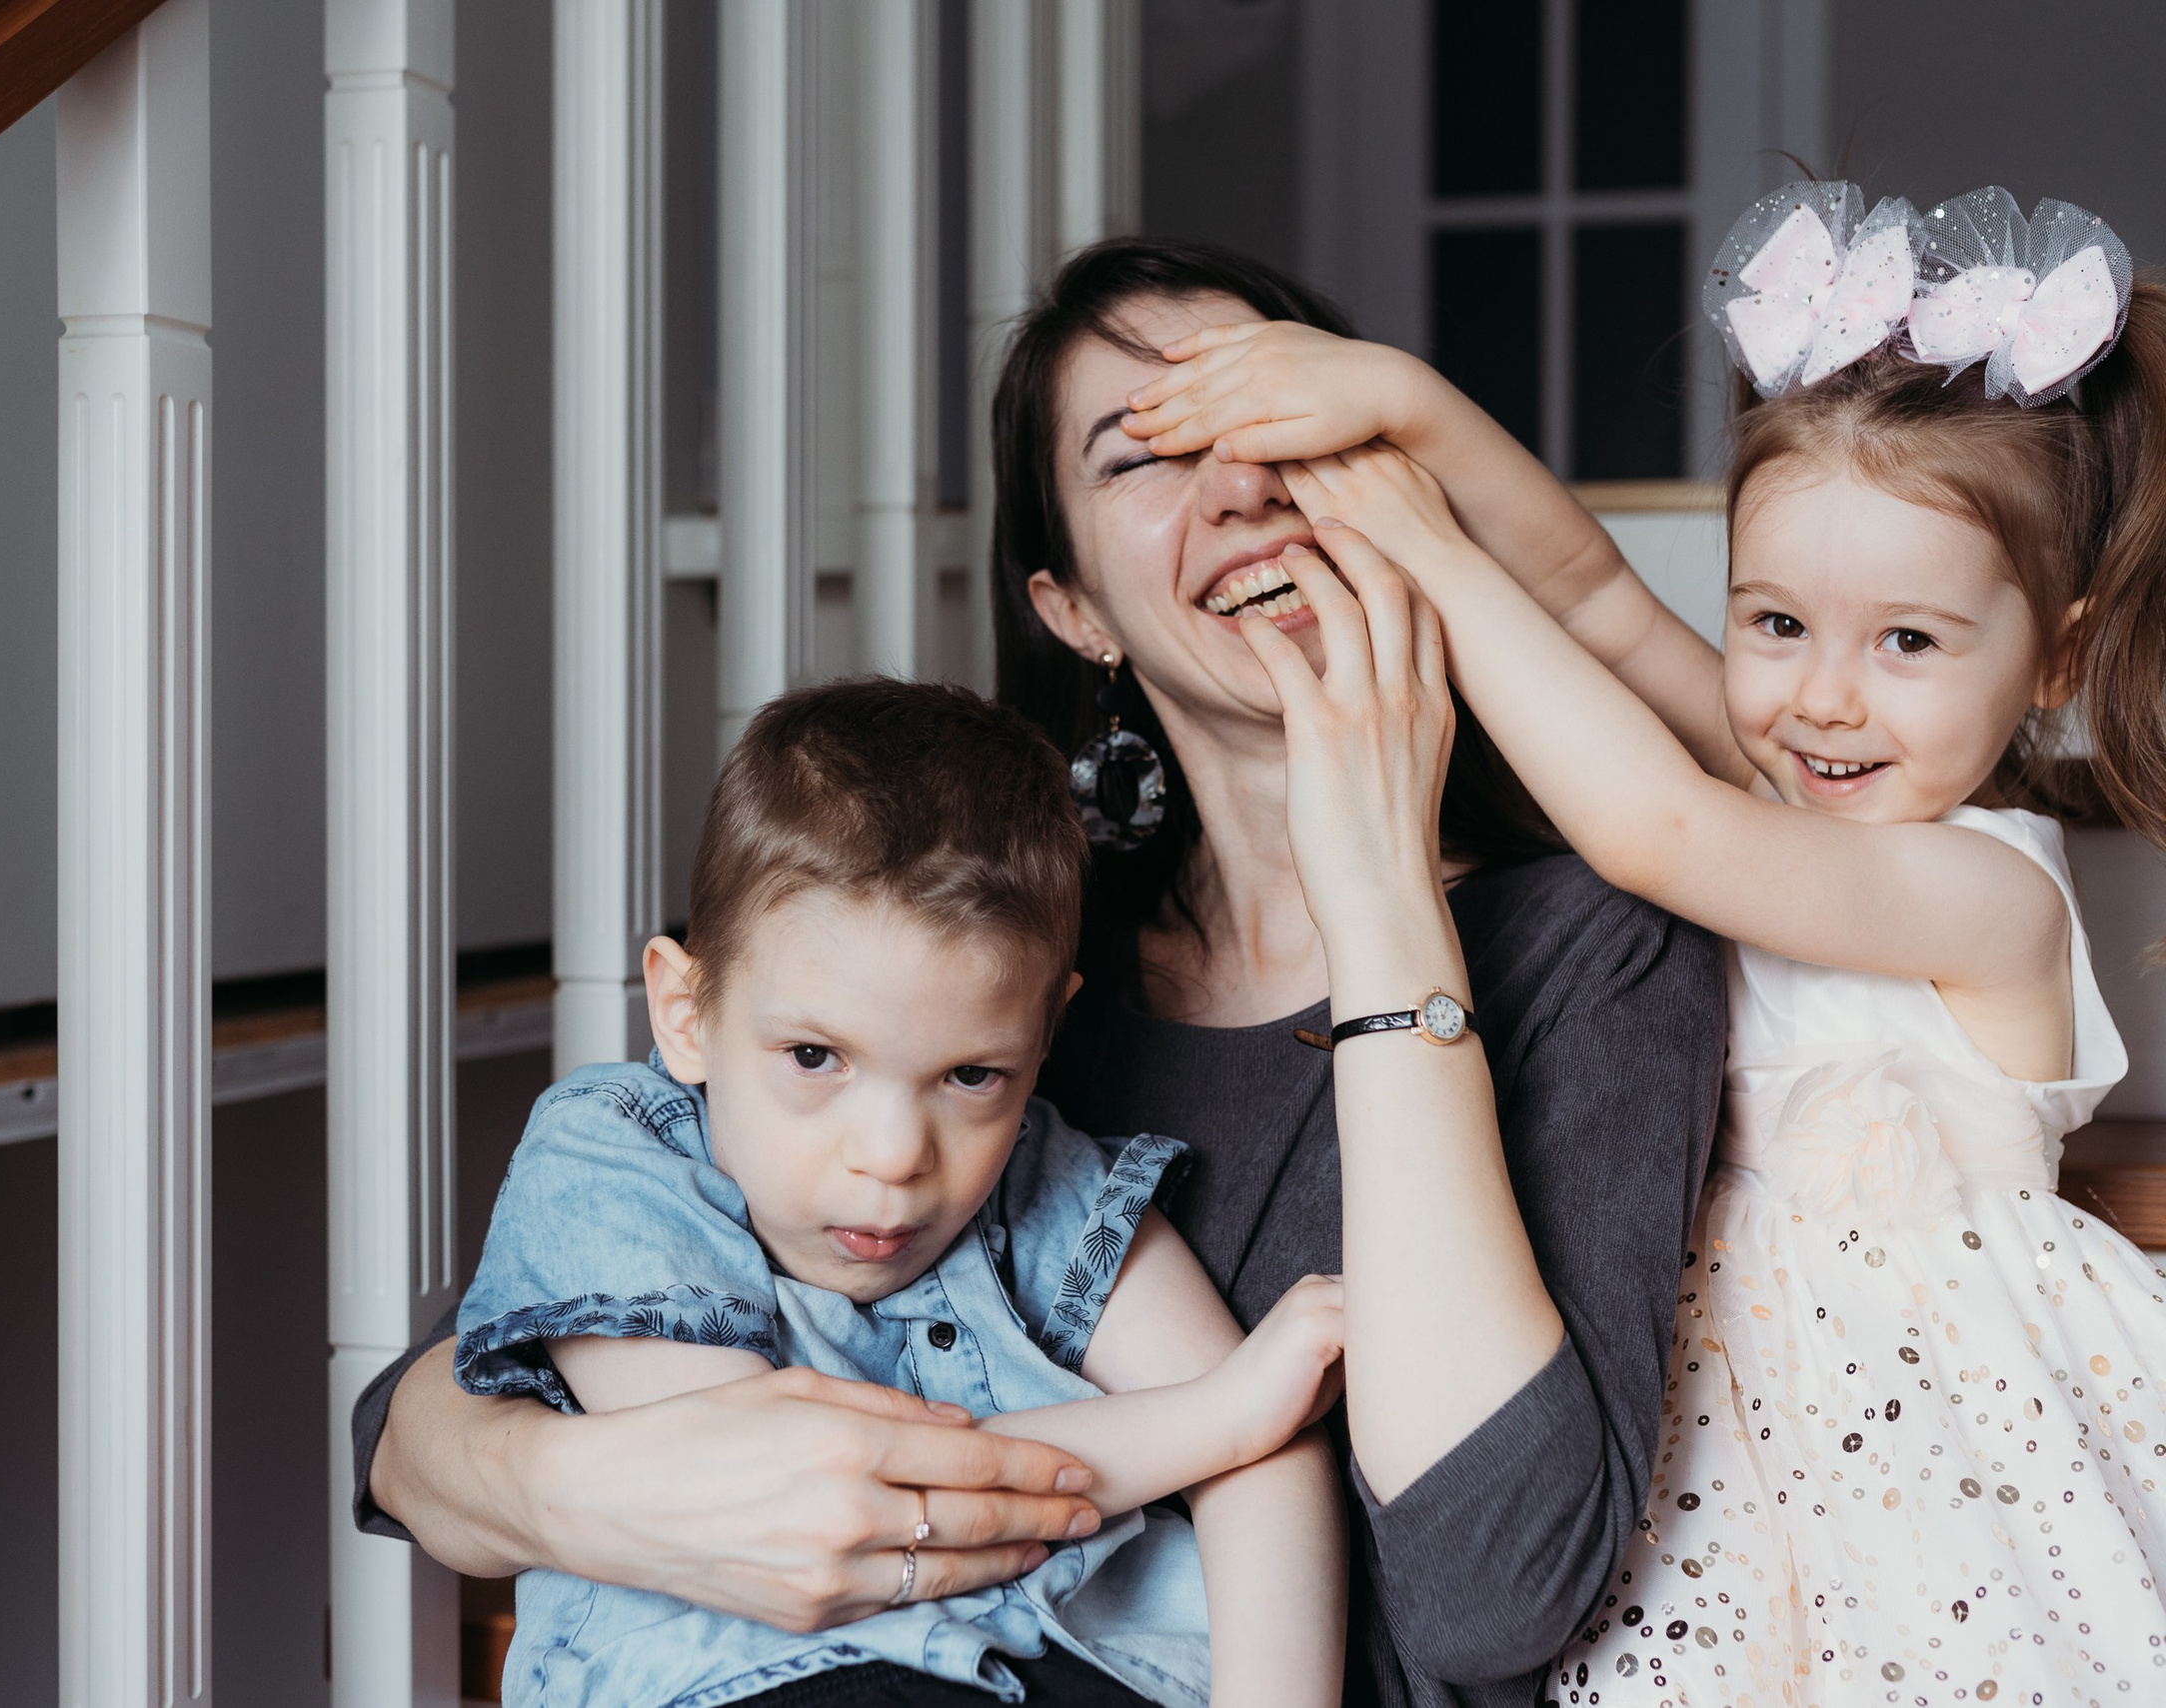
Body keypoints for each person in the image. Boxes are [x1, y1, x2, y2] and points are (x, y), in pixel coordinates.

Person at [353, 239, 1726, 1708]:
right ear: (1073, 607)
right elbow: (426, 1407)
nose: (1243, 485)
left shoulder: (1600, 944)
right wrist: (577, 1490)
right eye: (1144, 457)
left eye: (1285, 424)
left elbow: (1491, 1600)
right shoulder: (992, 956)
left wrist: (1382, 887)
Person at [1159, 180, 2166, 1705]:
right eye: (1774, 626)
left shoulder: (1988, 891)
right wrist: (1408, 407)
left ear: (2058, 657)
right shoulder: (1805, 784)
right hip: (1715, 1448)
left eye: (1908, 641)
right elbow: (1593, 598)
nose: (1823, 698)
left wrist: (1425, 549)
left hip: (1922, 1477)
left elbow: (1655, 830)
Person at [455, 677, 1349, 1707]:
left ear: (1043, 1032)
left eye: (972, 1075)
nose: (891, 1155)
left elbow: (1270, 1453)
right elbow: (801, 1484)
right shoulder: (613, 1159)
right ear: (685, 1009)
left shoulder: (1047, 1184)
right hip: (760, 1679)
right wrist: (1212, 1420)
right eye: (813, 1054)